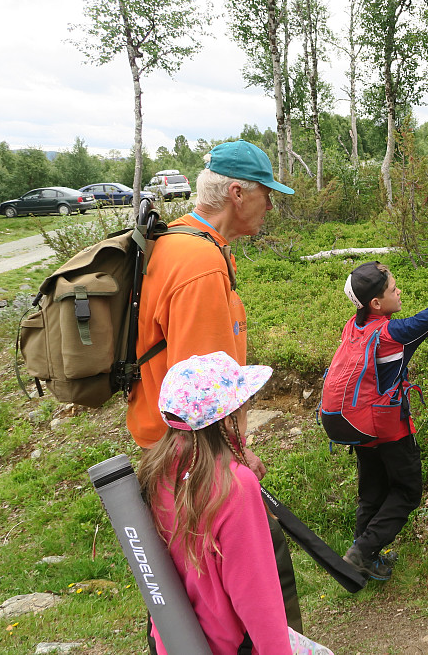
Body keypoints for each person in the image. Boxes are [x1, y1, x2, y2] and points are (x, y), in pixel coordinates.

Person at [126, 140, 303, 638]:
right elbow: (203, 388)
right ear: (236, 193)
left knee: (182, 596)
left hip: (167, 456)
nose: (272, 203)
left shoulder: (176, 243)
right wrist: (237, 457)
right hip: (197, 463)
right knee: (258, 588)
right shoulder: (201, 265)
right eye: (267, 192)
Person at [140, 351, 333, 655]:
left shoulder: (156, 470)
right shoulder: (234, 487)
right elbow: (257, 600)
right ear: (228, 421)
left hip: (176, 642)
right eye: (244, 411)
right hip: (231, 646)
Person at [320, 237, 428, 580]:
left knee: (372, 492)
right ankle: (361, 552)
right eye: (392, 289)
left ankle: (362, 559)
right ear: (375, 302)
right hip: (384, 424)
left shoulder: (355, 325)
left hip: (354, 422)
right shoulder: (395, 333)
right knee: (407, 491)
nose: (399, 290)